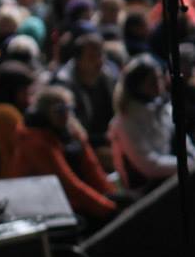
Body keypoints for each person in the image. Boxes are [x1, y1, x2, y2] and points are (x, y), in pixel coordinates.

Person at [13, 84, 117, 223]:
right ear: (44, 113)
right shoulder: (36, 140)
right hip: (50, 207)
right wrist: (107, 208)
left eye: (69, 109)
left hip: (76, 199)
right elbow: (68, 184)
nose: (65, 115)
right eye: (59, 110)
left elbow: (92, 168)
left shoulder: (72, 130)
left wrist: (111, 196)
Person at [110, 54, 179, 186]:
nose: (158, 84)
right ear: (137, 85)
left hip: (171, 175)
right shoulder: (125, 120)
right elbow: (149, 166)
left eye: (159, 78)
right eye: (151, 81)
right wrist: (187, 163)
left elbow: (183, 142)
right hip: (146, 188)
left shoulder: (164, 108)